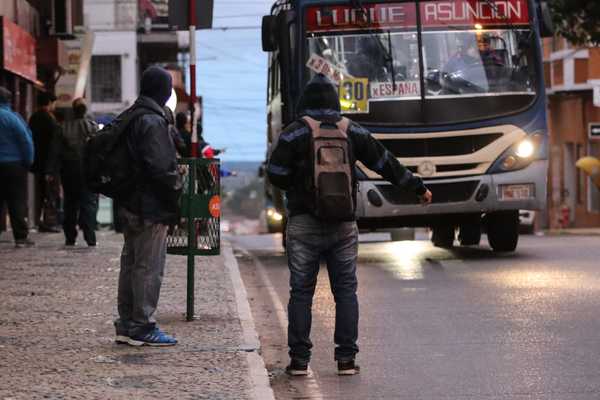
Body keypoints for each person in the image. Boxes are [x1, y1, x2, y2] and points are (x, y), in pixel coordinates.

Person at [267, 74, 432, 376]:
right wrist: (417, 187)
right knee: (345, 292)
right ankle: (346, 360)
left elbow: (275, 173)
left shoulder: (293, 133)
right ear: (334, 101)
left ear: (306, 101)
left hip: (303, 223)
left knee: (301, 292)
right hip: (343, 225)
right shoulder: (351, 130)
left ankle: (300, 361)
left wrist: (300, 188)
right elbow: (384, 162)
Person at [114, 66, 181, 347]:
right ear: (163, 91)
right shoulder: (152, 122)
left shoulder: (130, 115)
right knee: (148, 266)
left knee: (130, 263)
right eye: (169, 87)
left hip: (128, 203)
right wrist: (176, 197)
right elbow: (162, 169)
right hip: (149, 206)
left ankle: (127, 322)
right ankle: (142, 325)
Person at [51, 98, 99, 246]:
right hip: (88, 171)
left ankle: (70, 236)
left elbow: (55, 151)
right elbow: (99, 151)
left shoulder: (63, 127)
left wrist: (51, 171)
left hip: (69, 171)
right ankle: (90, 237)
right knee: (89, 204)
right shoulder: (92, 127)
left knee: (70, 204)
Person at [0, 87, 35, 248]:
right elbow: (25, 141)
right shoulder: (13, 118)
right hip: (14, 166)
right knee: (16, 201)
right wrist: (28, 161)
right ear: (8, 100)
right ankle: (20, 237)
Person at [29, 92, 62, 233]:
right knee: (50, 194)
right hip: (49, 164)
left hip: (37, 162)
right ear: (49, 102)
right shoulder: (50, 120)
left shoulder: (33, 118)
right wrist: (51, 168)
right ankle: (49, 222)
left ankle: (38, 221)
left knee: (40, 194)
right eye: (53, 103)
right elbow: (54, 146)